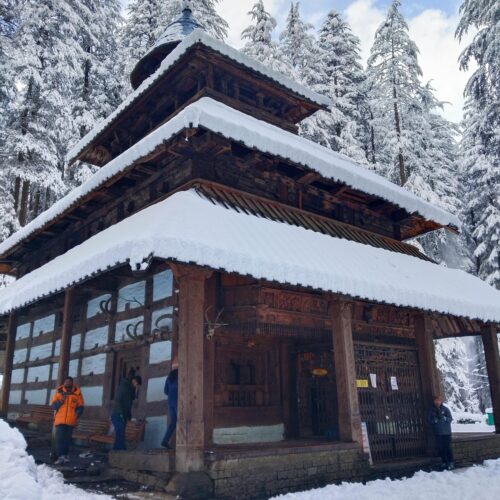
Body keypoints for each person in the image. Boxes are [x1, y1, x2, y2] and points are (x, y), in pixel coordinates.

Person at [51, 376, 84, 465]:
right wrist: (60, 401)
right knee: (59, 439)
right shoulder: (59, 392)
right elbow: (53, 406)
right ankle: (60, 456)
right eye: (66, 382)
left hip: (71, 420)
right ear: (64, 383)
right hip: (60, 420)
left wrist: (75, 415)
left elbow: (81, 407)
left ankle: (65, 456)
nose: (67, 383)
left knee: (67, 439)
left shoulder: (77, 393)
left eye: (69, 382)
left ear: (72, 383)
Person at [111, 372, 142, 450]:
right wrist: (121, 413)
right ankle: (122, 452)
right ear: (134, 381)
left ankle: (115, 454)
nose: (137, 387)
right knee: (120, 435)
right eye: (137, 385)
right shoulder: (124, 386)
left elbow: (129, 403)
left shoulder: (130, 389)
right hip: (118, 414)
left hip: (123, 415)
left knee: (120, 435)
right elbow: (118, 400)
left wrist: (128, 415)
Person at [428, 395, 455, 470]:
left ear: (441, 401)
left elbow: (450, 419)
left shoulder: (445, 409)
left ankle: (451, 462)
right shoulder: (432, 410)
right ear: (434, 401)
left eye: (439, 400)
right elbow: (429, 420)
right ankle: (444, 462)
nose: (437, 402)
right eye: (436, 400)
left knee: (448, 448)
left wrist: (445, 418)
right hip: (438, 432)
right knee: (441, 448)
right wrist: (435, 421)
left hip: (446, 432)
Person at [161, 358, 178, 449]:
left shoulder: (169, 377)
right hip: (178, 402)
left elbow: (165, 391)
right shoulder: (181, 375)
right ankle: (181, 443)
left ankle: (165, 440)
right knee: (182, 421)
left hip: (170, 402)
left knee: (173, 422)